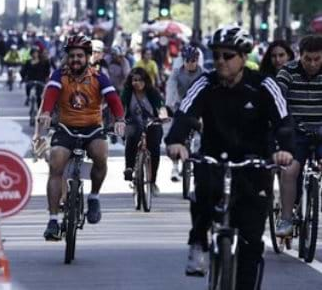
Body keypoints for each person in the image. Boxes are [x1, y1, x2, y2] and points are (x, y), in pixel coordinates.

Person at [165, 26, 293, 287]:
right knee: (203, 193)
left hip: (254, 164)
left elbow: (284, 121)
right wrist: (176, 141)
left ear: (243, 58)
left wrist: (286, 149)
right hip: (215, 157)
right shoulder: (206, 82)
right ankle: (199, 242)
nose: (221, 61)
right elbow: (186, 112)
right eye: (217, 56)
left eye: (228, 55)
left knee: (251, 241)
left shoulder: (263, 84)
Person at [34, 35, 126, 240]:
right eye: (72, 56)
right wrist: (46, 113)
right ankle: (53, 220)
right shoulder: (59, 75)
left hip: (92, 128)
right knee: (56, 161)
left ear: (88, 57)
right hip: (66, 128)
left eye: (80, 56)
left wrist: (119, 118)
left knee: (101, 154)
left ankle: (94, 197)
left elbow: (113, 98)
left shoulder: (99, 77)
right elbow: (50, 94)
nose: (75, 59)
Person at [274, 34, 322, 237]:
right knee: (290, 170)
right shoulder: (288, 72)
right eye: (307, 59)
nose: (312, 64)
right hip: (296, 133)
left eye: (318, 59)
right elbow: (276, 97)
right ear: (299, 56)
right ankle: (286, 219)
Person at [121, 67, 167, 194]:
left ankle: (152, 182)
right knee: (131, 137)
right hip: (133, 123)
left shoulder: (153, 92)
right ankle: (129, 168)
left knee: (155, 150)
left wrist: (163, 116)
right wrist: (119, 120)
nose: (137, 83)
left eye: (140, 80)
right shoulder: (127, 92)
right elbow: (121, 107)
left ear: (146, 81)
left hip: (152, 122)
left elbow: (161, 106)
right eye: (134, 80)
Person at [165, 45, 205, 181]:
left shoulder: (203, 74)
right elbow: (170, 87)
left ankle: (201, 164)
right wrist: (168, 104)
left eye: (193, 60)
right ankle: (175, 167)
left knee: (203, 136)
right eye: (187, 60)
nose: (190, 63)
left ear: (197, 60)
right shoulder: (177, 73)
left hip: (198, 110)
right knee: (175, 136)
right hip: (180, 108)